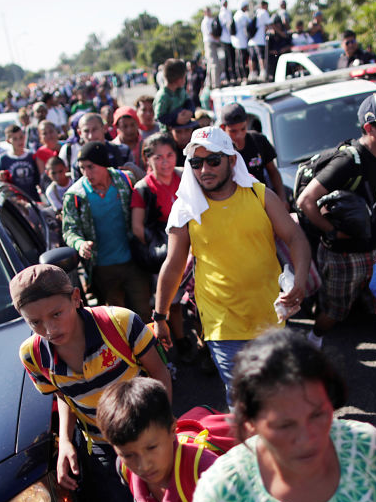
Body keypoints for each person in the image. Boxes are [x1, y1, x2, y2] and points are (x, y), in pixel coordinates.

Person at [154, 127, 310, 404]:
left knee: (277, 393)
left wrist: (299, 279)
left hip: (270, 316)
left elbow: (295, 236)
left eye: (213, 161)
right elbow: (173, 265)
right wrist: (160, 316)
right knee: (244, 400)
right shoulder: (186, 208)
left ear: (232, 160)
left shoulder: (260, 195)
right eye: (196, 163)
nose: (205, 169)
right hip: (222, 324)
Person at [193, 329, 376, 502]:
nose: (307, 438)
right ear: (251, 424)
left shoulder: (366, 447)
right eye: (285, 425)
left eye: (317, 415)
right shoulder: (222, 490)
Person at [13, 264, 171, 502]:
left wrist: (163, 427)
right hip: (100, 445)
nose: (49, 329)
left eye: (56, 314)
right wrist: (65, 441)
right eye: (35, 322)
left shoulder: (121, 323)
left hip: (147, 434)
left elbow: (159, 373)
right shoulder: (33, 356)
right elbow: (64, 395)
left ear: (76, 298)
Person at [296, 93, 376, 391]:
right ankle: (313, 342)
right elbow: (305, 201)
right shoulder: (348, 162)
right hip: (343, 256)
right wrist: (331, 232)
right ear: (369, 128)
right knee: (333, 314)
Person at [62, 141, 151, 317]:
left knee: (143, 312)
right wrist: (80, 244)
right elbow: (69, 230)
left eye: (91, 167)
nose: (86, 173)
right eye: (82, 168)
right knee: (117, 319)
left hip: (134, 261)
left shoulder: (126, 180)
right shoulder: (75, 196)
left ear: (103, 165)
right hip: (103, 268)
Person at [97, 377, 219, 502]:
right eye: (128, 455)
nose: (144, 466)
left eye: (151, 448)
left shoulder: (211, 474)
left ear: (172, 430)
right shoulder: (124, 468)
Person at [130, 133, 194, 361]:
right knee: (171, 302)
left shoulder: (186, 175)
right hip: (167, 255)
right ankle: (181, 341)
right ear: (148, 159)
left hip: (195, 252)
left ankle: (204, 343)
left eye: (169, 155)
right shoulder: (142, 188)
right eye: (158, 157)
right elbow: (138, 228)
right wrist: (165, 248)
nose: (165, 162)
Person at [219, 103, 288, 206]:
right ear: (223, 128)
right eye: (233, 131)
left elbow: (273, 171)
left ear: (246, 123)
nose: (239, 135)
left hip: (262, 199)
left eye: (243, 129)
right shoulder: (219, 150)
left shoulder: (258, 140)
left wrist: (282, 199)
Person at [0, 124, 41, 201]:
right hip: (15, 201)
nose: (19, 141)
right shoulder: (4, 159)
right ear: (8, 141)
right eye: (15, 139)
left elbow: (38, 178)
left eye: (21, 137)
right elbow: (1, 182)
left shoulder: (31, 156)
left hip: (33, 198)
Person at [154, 59, 196, 132]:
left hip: (184, 128)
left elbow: (188, 101)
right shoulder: (163, 96)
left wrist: (190, 111)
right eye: (184, 77)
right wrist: (175, 118)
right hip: (169, 132)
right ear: (178, 79)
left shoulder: (180, 90)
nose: (185, 80)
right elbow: (160, 117)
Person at [111, 106, 144, 171]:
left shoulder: (145, 145)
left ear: (137, 124)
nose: (129, 130)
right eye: (125, 126)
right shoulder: (112, 148)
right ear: (117, 127)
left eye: (132, 125)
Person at [201, 6, 222, 90]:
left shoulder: (210, 20)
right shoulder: (206, 21)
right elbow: (210, 33)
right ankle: (215, 84)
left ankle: (210, 83)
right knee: (214, 64)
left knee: (211, 64)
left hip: (212, 43)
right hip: (209, 43)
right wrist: (217, 38)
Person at [250, 1, 271, 81]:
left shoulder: (255, 13)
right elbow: (269, 24)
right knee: (261, 56)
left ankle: (252, 74)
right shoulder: (263, 12)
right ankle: (263, 73)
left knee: (252, 58)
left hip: (251, 40)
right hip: (259, 40)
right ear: (264, 5)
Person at [231, 1, 251, 84]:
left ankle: (240, 76)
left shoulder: (236, 15)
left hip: (236, 41)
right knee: (242, 60)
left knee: (238, 60)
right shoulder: (242, 15)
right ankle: (244, 76)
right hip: (241, 41)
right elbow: (249, 23)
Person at [218, 0, 236, 84]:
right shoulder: (223, 13)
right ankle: (229, 77)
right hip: (225, 39)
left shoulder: (227, 11)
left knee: (231, 58)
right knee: (228, 58)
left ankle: (232, 76)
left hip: (230, 39)